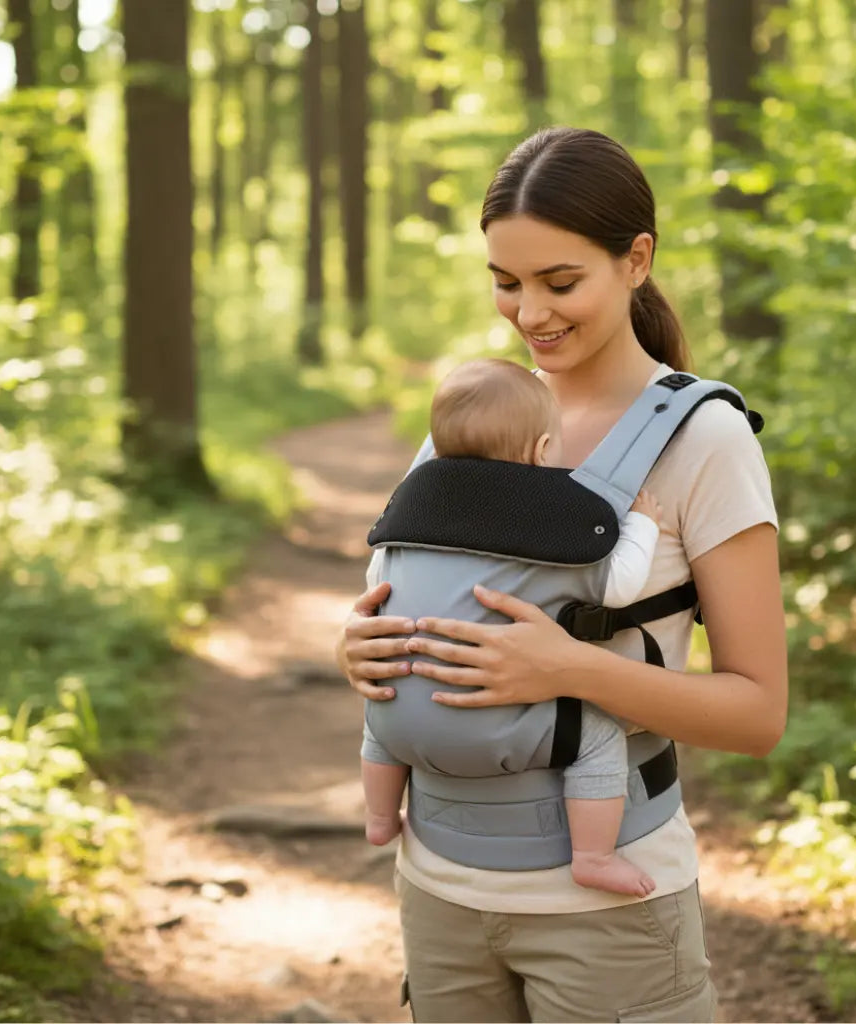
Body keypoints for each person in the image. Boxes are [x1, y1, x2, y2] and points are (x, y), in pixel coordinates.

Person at [337, 126, 787, 1024]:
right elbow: (417, 589)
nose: (528, 312)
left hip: (608, 913)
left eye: (559, 282)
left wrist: (570, 668)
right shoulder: (471, 420)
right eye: (506, 282)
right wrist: (357, 645)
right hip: (440, 889)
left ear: (636, 260)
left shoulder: (704, 440)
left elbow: (758, 715)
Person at [361, 356, 664, 899]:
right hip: (494, 722)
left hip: (400, 722)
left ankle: (381, 818)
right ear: (543, 451)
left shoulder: (411, 515)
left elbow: (375, 583)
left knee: (382, 711)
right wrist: (642, 524)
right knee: (597, 739)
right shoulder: (550, 524)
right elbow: (619, 586)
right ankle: (593, 856)